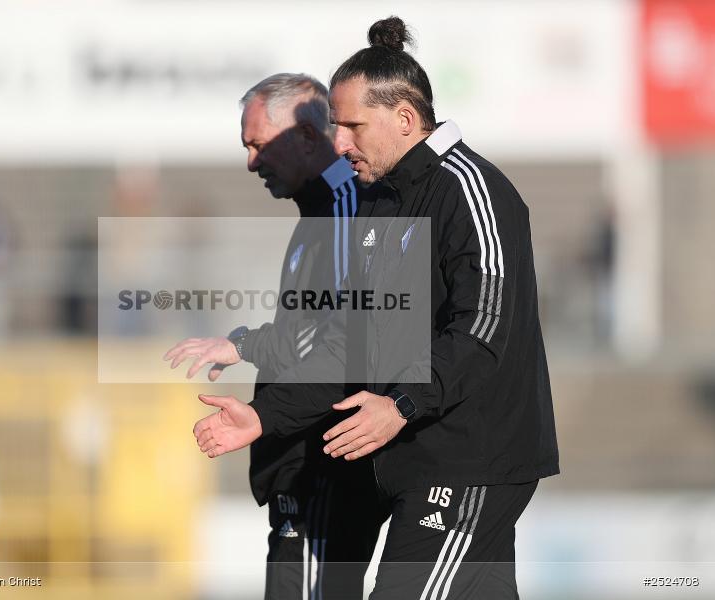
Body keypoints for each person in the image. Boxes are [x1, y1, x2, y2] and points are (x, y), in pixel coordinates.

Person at [192, 17, 560, 600]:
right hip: (414, 458)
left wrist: (402, 402)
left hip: (470, 462)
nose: (340, 144)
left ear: (405, 119)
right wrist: (266, 416)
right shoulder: (382, 205)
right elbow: (352, 343)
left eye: (352, 127)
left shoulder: (472, 191)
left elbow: (483, 327)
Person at [164, 73, 385, 600]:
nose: (251, 161)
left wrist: (245, 350)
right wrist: (246, 343)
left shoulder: (343, 205)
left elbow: (342, 340)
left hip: (321, 462)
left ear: (307, 138)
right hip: (300, 463)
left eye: (258, 144)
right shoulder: (322, 207)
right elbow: (311, 330)